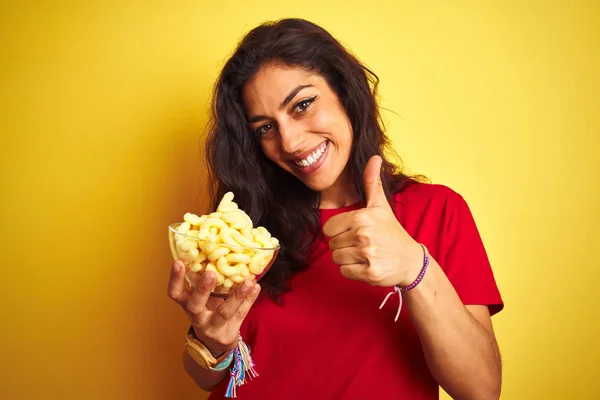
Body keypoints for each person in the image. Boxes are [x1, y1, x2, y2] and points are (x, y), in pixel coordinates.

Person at [167, 18, 504, 400]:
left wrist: (415, 268)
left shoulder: (437, 210)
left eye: (302, 105)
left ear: (345, 92)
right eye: (265, 128)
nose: (290, 142)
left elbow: (481, 390)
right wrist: (211, 343)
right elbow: (207, 376)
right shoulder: (247, 231)